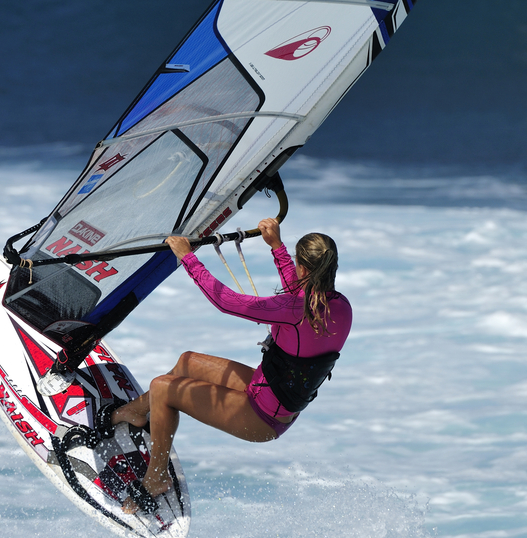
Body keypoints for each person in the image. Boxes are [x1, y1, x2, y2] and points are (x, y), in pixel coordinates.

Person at [105, 217, 353, 514]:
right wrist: (276, 247)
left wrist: (188, 258)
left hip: (262, 418)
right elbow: (298, 295)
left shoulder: (294, 310)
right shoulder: (340, 306)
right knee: (187, 362)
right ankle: (134, 412)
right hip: (267, 394)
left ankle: (155, 479)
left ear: (303, 268)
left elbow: (227, 301)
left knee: (163, 388)